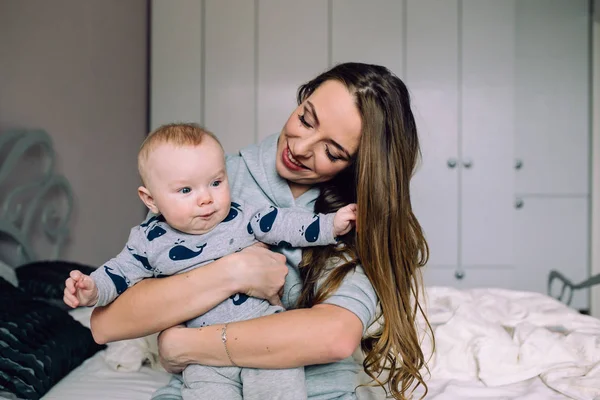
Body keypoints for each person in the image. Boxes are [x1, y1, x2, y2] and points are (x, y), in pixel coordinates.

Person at [89, 62, 432, 400]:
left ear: (359, 165)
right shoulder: (208, 180)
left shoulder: (353, 218)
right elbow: (109, 323)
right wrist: (235, 272)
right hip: (204, 384)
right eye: (305, 119)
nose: (299, 148)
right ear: (302, 98)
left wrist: (184, 344)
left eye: (332, 151)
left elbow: (335, 336)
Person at [63, 123, 357, 400]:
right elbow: (118, 273)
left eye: (216, 182)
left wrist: (331, 225)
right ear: (151, 199)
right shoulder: (148, 240)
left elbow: (288, 225)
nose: (206, 199)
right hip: (203, 353)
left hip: (266, 337)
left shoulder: (241, 216)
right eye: (186, 190)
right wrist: (92, 288)